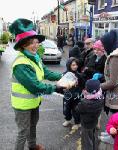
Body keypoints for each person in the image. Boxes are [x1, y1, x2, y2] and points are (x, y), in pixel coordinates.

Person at [9, 18, 72, 150]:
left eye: (36, 42)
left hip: (34, 102)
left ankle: (32, 146)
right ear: (23, 45)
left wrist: (62, 76)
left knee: (32, 127)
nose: (35, 45)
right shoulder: (21, 64)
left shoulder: (36, 57)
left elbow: (47, 73)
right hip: (22, 105)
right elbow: (35, 86)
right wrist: (57, 87)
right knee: (22, 132)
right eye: (31, 43)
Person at [76, 79, 104, 150]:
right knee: (92, 136)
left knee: (86, 141)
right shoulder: (100, 97)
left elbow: (77, 109)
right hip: (94, 121)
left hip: (86, 124)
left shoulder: (85, 103)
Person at [62, 57, 85, 129]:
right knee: (66, 109)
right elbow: (61, 85)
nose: (75, 67)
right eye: (73, 65)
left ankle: (77, 123)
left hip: (76, 96)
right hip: (67, 96)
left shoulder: (79, 75)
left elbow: (83, 85)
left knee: (76, 110)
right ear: (69, 65)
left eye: (76, 65)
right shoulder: (65, 74)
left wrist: (79, 93)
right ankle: (67, 119)